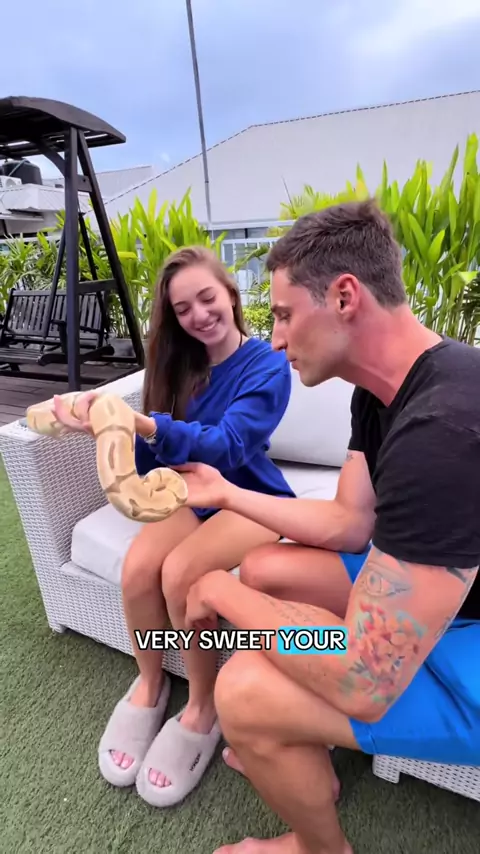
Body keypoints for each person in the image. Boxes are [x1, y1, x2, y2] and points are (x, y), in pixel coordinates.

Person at [173, 201, 480, 854]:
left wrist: (218, 589)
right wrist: (227, 492)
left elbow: (364, 682)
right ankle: (303, 748)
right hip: (452, 598)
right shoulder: (388, 389)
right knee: (266, 567)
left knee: (242, 692)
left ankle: (320, 849)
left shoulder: (442, 433)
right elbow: (348, 522)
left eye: (284, 315)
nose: (275, 339)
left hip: (469, 648)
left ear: (344, 297)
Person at [52, 245, 295, 807]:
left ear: (230, 293)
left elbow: (229, 446)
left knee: (182, 573)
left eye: (207, 298)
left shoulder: (266, 364)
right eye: (183, 309)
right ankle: (151, 681)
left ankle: (203, 707)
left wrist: (142, 423)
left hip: (248, 497)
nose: (199, 315)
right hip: (190, 491)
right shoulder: (179, 363)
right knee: (140, 567)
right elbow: (151, 460)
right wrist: (104, 427)